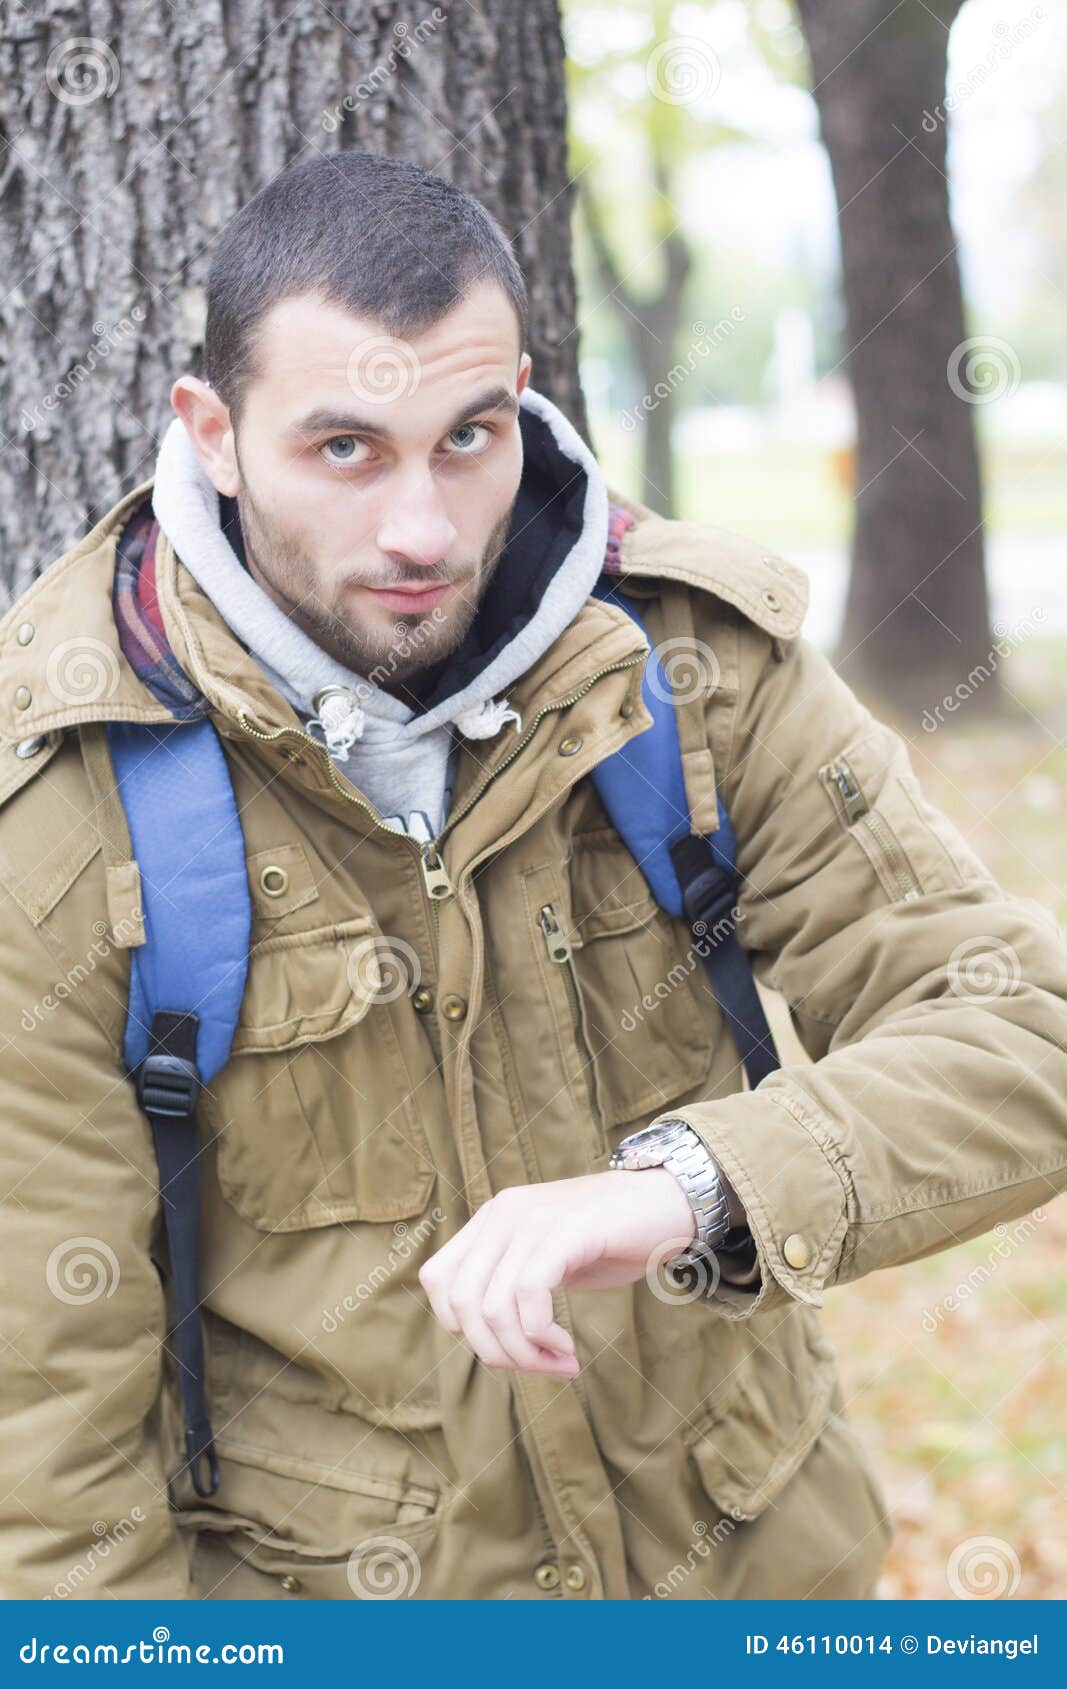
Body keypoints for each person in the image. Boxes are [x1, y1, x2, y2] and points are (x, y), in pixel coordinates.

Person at [1, 151, 1064, 1602]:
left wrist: (688, 1183)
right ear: (215, 432)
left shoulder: (698, 667)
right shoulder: (63, 801)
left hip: (757, 1583)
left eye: (469, 434)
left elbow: (1024, 1029)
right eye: (346, 449)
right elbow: (47, 1462)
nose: (424, 530)